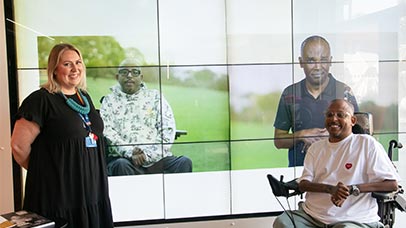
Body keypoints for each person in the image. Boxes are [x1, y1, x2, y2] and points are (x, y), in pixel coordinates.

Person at [10, 43, 114, 228]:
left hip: (92, 191)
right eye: (67, 64)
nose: (75, 69)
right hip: (59, 197)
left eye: (78, 62)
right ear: (54, 69)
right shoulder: (41, 100)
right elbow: (18, 146)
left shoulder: (84, 97)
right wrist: (46, 174)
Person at [273, 99, 400, 228]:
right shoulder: (315, 148)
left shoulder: (367, 144)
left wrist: (352, 189)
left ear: (353, 121)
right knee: (282, 223)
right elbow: (304, 184)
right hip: (311, 216)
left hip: (354, 219)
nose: (334, 119)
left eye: (340, 115)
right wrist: (330, 189)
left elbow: (392, 184)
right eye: (330, 115)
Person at [273, 35, 359, 166]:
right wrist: (301, 135)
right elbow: (278, 141)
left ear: (330, 61)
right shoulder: (290, 94)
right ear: (301, 62)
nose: (318, 66)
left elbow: (361, 136)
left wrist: (334, 135)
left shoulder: (344, 92)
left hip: (339, 172)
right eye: (311, 61)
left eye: (323, 60)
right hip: (301, 173)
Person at [99, 58, 192, 175]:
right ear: (117, 77)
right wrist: (130, 152)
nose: (129, 75)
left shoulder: (155, 97)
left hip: (156, 159)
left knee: (183, 162)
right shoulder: (109, 101)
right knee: (121, 165)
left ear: (141, 77)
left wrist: (148, 155)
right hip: (125, 159)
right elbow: (107, 131)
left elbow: (168, 128)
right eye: (124, 72)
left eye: (135, 72)